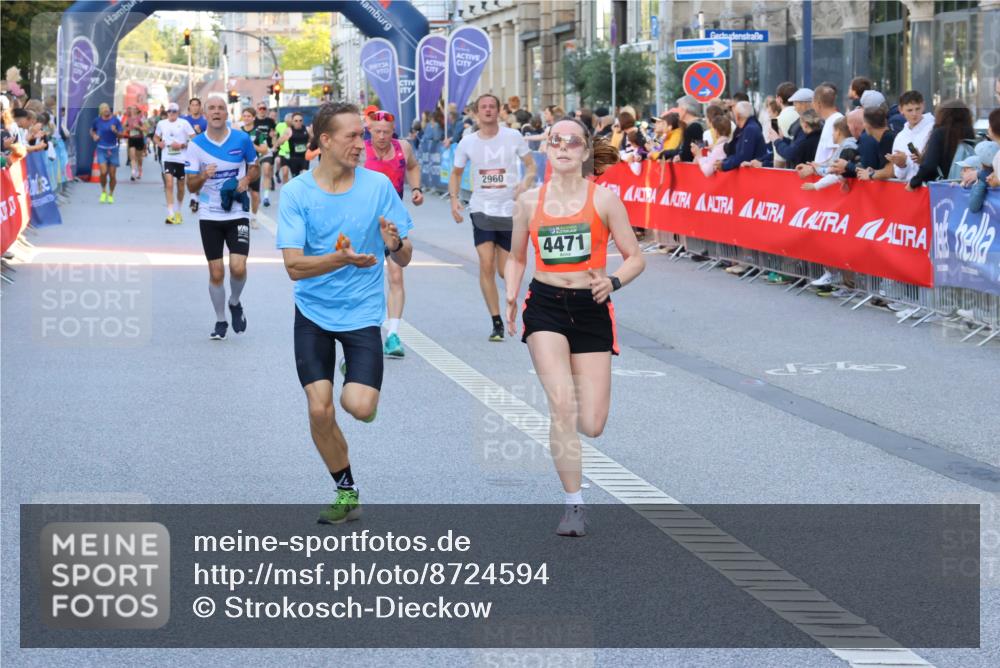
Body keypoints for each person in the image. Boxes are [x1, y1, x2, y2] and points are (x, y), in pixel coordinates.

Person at [504, 118, 644, 536]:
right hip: (545, 305)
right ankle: (574, 505)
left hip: (592, 307)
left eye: (573, 142)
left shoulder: (604, 200)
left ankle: (570, 439)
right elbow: (515, 257)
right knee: (562, 406)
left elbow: (635, 256)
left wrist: (613, 281)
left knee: (593, 423)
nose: (563, 147)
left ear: (585, 153)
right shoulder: (529, 202)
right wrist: (511, 294)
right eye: (556, 140)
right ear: (547, 149)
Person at [276, 102, 413, 525]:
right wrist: (341, 260)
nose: (363, 142)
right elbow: (294, 266)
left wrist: (393, 244)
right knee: (319, 409)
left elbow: (405, 257)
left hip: (360, 314)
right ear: (325, 141)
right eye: (353, 136)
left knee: (356, 404)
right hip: (313, 312)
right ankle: (346, 489)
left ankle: (356, 383)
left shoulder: (377, 187)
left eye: (364, 134)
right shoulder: (298, 192)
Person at [450, 94, 537, 342]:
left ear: (499, 111)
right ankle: (496, 321)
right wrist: (454, 199)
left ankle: (512, 304)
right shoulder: (467, 142)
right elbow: (456, 174)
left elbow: (531, 166)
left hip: (509, 210)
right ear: (476, 113)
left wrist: (525, 182)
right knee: (486, 262)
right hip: (482, 209)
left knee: (504, 271)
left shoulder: (513, 137)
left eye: (492, 106)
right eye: (483, 107)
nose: (488, 110)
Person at [183, 94, 260, 339]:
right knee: (216, 273)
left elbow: (255, 166)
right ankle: (220, 321)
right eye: (212, 109)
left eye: (221, 108)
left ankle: (235, 302)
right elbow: (190, 187)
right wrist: (204, 175)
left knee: (238, 267)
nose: (216, 112)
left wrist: (246, 180)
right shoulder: (196, 145)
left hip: (237, 212)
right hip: (209, 215)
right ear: (205, 115)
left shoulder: (242, 138)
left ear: (227, 114)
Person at [361, 108, 424, 357]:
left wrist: (416, 188)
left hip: (392, 220)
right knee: (365, 276)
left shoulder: (403, 148)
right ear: (370, 130)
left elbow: (414, 166)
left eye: (386, 132)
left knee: (396, 276)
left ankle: (394, 335)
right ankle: (364, 330)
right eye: (377, 131)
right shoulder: (360, 150)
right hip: (365, 221)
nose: (382, 136)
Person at [906, 100, 976, 190]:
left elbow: (929, 166)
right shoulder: (970, 135)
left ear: (943, 115)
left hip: (943, 189)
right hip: (965, 187)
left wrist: (914, 182)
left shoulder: (940, 133)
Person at [154, 102, 195, 224]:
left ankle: (178, 211)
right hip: (167, 158)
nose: (171, 114)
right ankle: (170, 213)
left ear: (178, 113)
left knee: (181, 187)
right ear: (167, 113)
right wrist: (159, 143)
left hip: (182, 159)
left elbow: (194, 138)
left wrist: (182, 145)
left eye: (174, 111)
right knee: (170, 184)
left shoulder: (184, 123)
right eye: (169, 111)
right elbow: (156, 137)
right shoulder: (161, 123)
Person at [888, 90, 934, 184]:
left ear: (923, 105)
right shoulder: (900, 137)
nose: (914, 114)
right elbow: (899, 175)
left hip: (930, 188)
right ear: (901, 110)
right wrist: (902, 165)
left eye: (917, 109)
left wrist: (923, 161)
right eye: (909, 110)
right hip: (910, 190)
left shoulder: (934, 129)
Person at [238, 107, 269, 228]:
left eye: (248, 116)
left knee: (255, 195)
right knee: (241, 192)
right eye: (244, 116)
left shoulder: (259, 133)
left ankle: (254, 217)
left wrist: (252, 145)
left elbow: (265, 150)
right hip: (240, 166)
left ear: (253, 118)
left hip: (253, 167)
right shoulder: (238, 132)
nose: (246, 118)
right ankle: (241, 217)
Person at [720, 101, 771, 171]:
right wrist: (725, 161)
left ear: (737, 116)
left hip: (753, 175)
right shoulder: (747, 127)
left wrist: (724, 165)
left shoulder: (750, 129)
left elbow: (744, 156)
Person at [182, 97, 208, 212]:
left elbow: (209, 138)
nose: (195, 107)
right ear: (189, 107)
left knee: (201, 178)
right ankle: (193, 199)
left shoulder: (205, 121)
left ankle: (201, 200)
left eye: (197, 105)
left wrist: (199, 132)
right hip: (188, 152)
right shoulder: (184, 120)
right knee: (190, 177)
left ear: (200, 107)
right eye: (193, 105)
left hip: (202, 152)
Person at [252, 101, 277, 206]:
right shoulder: (253, 121)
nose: (262, 110)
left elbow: (274, 134)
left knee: (266, 171)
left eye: (264, 108)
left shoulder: (270, 121)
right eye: (260, 108)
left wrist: (275, 146)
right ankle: (255, 196)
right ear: (257, 110)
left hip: (267, 149)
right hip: (255, 150)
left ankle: (266, 197)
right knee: (255, 176)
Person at [274, 112, 314, 178]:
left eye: (300, 120)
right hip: (294, 158)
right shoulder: (289, 130)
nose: (298, 122)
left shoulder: (307, 129)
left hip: (304, 157)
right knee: (296, 178)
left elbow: (313, 140)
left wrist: (310, 144)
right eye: (296, 121)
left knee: (305, 175)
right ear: (292, 121)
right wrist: (284, 139)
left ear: (303, 121)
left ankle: (303, 188)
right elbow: (279, 142)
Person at [123, 105, 146, 181]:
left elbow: (146, 128)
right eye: (131, 109)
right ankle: (133, 173)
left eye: (134, 109)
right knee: (132, 157)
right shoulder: (128, 119)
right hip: (131, 139)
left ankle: (139, 168)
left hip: (139, 139)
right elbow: (124, 127)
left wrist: (138, 127)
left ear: (137, 110)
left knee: (139, 158)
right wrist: (127, 128)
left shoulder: (140, 119)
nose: (132, 110)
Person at [274, 112, 292, 185]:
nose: (288, 123)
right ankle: (277, 172)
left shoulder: (294, 127)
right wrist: (275, 145)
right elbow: (275, 134)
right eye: (287, 121)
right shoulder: (280, 125)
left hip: (292, 152)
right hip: (281, 150)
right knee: (279, 163)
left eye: (290, 121)